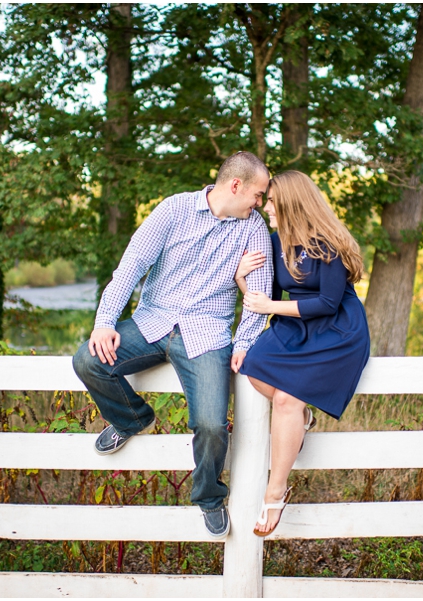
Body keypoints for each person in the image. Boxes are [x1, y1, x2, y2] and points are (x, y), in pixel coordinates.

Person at [73, 151, 273, 539]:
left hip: (207, 334)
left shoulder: (254, 227)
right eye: (258, 194)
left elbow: (261, 292)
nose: (260, 203)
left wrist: (245, 341)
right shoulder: (173, 210)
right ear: (236, 185)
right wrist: (104, 323)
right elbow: (130, 266)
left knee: (213, 425)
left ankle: (209, 497)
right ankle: (132, 418)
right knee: (88, 360)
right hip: (153, 321)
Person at [233, 170, 370, 537]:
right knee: (253, 366)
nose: (266, 208)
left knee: (286, 400)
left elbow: (326, 303)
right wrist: (242, 277)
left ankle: (275, 491)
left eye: (273, 201)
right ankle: (302, 420)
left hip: (336, 329)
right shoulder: (277, 242)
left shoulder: (328, 244)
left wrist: (270, 308)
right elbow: (263, 293)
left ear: (292, 202)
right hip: (297, 323)